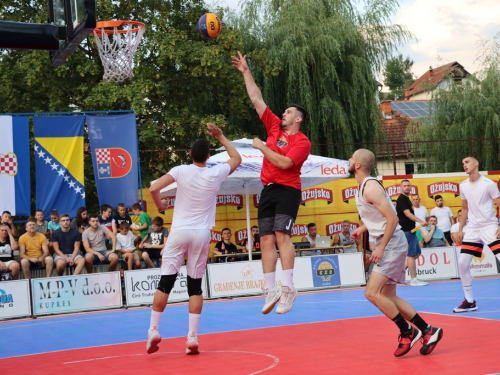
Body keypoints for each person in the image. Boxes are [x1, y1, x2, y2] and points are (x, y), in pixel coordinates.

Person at [146, 123, 241, 355]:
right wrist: (220, 136)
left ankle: (154, 330)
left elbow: (153, 189)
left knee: (165, 283)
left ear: (190, 154)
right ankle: (191, 337)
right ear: (208, 156)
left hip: (179, 232)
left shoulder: (180, 170)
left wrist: (160, 205)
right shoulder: (215, 172)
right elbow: (236, 158)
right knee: (195, 287)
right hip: (200, 233)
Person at [232, 51, 311, 314]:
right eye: (285, 111)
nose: (284, 113)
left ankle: (288, 288)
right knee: (264, 240)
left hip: (288, 190)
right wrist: (245, 71)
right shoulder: (274, 127)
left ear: (297, 119)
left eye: (289, 112)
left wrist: (260, 147)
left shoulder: (302, 142)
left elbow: (285, 164)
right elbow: (256, 98)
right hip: (268, 189)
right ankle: (270, 288)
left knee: (281, 235)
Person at [349, 149, 443, 357]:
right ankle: (428, 330)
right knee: (388, 295)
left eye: (351, 158)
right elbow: (381, 216)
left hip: (391, 242)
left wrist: (381, 247)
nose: (349, 159)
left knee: (371, 293)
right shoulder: (363, 187)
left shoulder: (371, 187)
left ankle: (407, 331)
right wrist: (361, 229)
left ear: (357, 165)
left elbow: (393, 219)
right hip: (389, 241)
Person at [454, 156, 500, 313]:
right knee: (462, 263)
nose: (464, 165)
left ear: (476, 163)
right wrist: (461, 229)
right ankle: (469, 301)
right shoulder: (463, 185)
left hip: (489, 226)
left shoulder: (489, 184)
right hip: (472, 229)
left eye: (466, 162)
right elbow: (465, 209)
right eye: (463, 163)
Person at [395, 180, 428, 287]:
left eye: (408, 186)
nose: (407, 187)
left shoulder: (407, 199)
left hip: (411, 230)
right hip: (406, 231)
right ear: (400, 187)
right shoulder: (402, 199)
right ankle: (414, 279)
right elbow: (407, 214)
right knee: (411, 255)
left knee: (417, 253)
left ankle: (397, 274)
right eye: (404, 186)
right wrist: (420, 221)